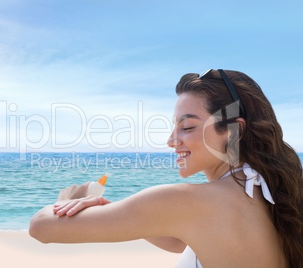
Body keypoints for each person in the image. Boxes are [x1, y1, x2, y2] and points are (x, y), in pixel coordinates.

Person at [29, 69, 303, 267]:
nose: (171, 140)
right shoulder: (271, 193)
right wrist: (108, 208)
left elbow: (41, 227)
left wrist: (65, 203)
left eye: (187, 127)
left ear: (232, 130)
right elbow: (179, 241)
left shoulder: (190, 202)